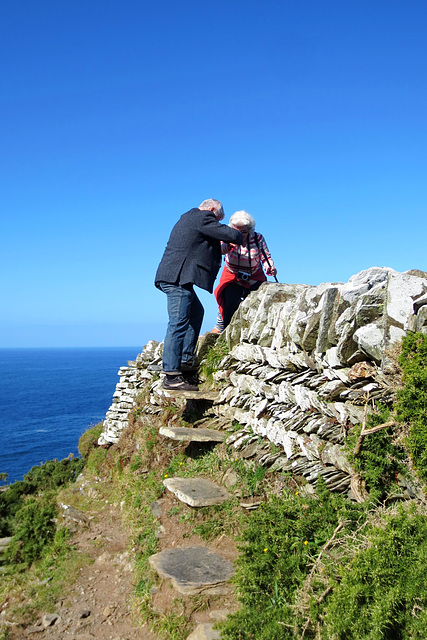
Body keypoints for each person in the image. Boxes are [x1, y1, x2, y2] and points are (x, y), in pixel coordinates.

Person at [155, 199, 244, 391]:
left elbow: (199, 247)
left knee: (196, 313)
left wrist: (221, 249)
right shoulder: (203, 216)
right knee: (178, 322)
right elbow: (230, 235)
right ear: (212, 210)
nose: (216, 223)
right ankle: (171, 375)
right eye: (218, 219)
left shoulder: (189, 219)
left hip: (174, 276)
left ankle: (185, 360)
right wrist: (238, 231)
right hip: (177, 278)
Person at [213, 211, 277, 332]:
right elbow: (220, 250)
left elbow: (265, 257)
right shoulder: (226, 236)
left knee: (259, 304)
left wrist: (270, 267)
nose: (241, 234)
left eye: (244, 231)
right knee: (229, 304)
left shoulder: (258, 238)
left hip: (254, 276)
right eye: (237, 231)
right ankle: (227, 334)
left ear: (250, 229)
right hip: (232, 276)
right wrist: (229, 244)